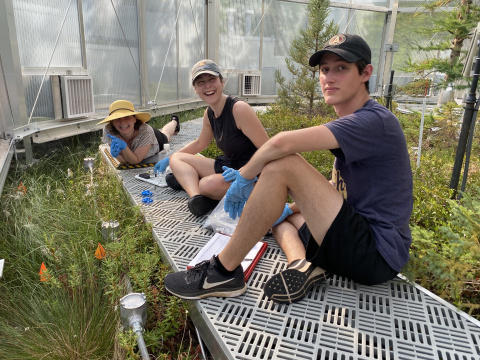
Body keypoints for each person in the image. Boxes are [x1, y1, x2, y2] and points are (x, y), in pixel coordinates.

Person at [163, 34, 414, 304]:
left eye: (341, 68)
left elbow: (282, 143)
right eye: (325, 70)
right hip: (353, 238)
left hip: (375, 252)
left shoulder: (375, 121)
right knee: (277, 217)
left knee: (284, 163)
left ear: (366, 73)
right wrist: (286, 209)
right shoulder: (354, 121)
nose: (329, 77)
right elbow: (335, 187)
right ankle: (301, 265)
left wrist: (245, 176)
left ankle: (222, 271)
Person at [155, 59, 269, 216]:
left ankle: (206, 192)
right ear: (195, 89)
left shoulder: (238, 109)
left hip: (253, 173)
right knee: (177, 159)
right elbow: (201, 142)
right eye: (201, 82)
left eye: (212, 79)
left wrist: (244, 173)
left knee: (206, 185)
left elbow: (268, 149)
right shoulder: (209, 113)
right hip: (230, 165)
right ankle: (197, 199)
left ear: (222, 82)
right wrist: (169, 159)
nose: (207, 86)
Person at [99, 99, 180, 165]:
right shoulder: (108, 131)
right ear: (112, 122)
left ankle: (174, 121)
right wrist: (116, 155)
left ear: (134, 119)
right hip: (138, 130)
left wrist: (122, 150)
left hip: (154, 138)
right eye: (117, 118)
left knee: (166, 135)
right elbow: (124, 161)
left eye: (127, 117)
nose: (123, 122)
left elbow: (135, 160)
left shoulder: (146, 131)